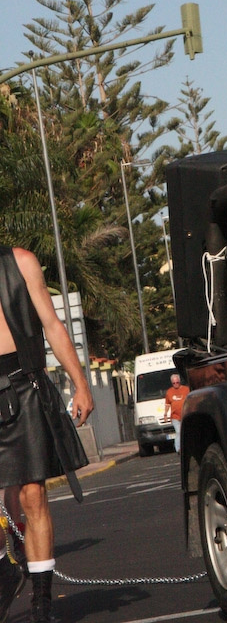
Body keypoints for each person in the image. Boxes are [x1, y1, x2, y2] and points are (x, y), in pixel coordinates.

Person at [0, 245, 93, 623]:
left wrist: (81, 383)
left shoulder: (20, 262)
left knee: (33, 494)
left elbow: (52, 325)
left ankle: (41, 604)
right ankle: (8, 568)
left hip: (24, 387)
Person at [163, 374, 189, 453]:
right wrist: (165, 414)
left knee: (186, 432)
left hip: (185, 414)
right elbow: (167, 404)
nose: (176, 384)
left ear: (179, 381)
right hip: (175, 416)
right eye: (174, 383)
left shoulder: (186, 389)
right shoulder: (169, 392)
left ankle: (187, 447)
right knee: (178, 432)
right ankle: (178, 449)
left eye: (177, 382)